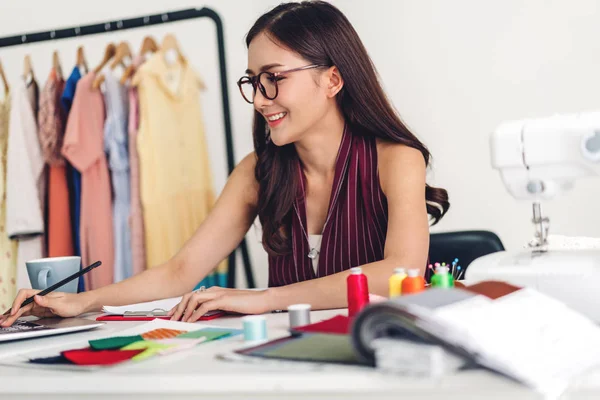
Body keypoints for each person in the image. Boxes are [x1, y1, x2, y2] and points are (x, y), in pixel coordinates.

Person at [0, 1, 449, 328]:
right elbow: (180, 272)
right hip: (287, 359)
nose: (258, 99)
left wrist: (261, 299)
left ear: (332, 78)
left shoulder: (395, 160)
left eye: (274, 78)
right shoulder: (257, 173)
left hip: (381, 350)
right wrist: (84, 302)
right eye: (253, 81)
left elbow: (400, 271)